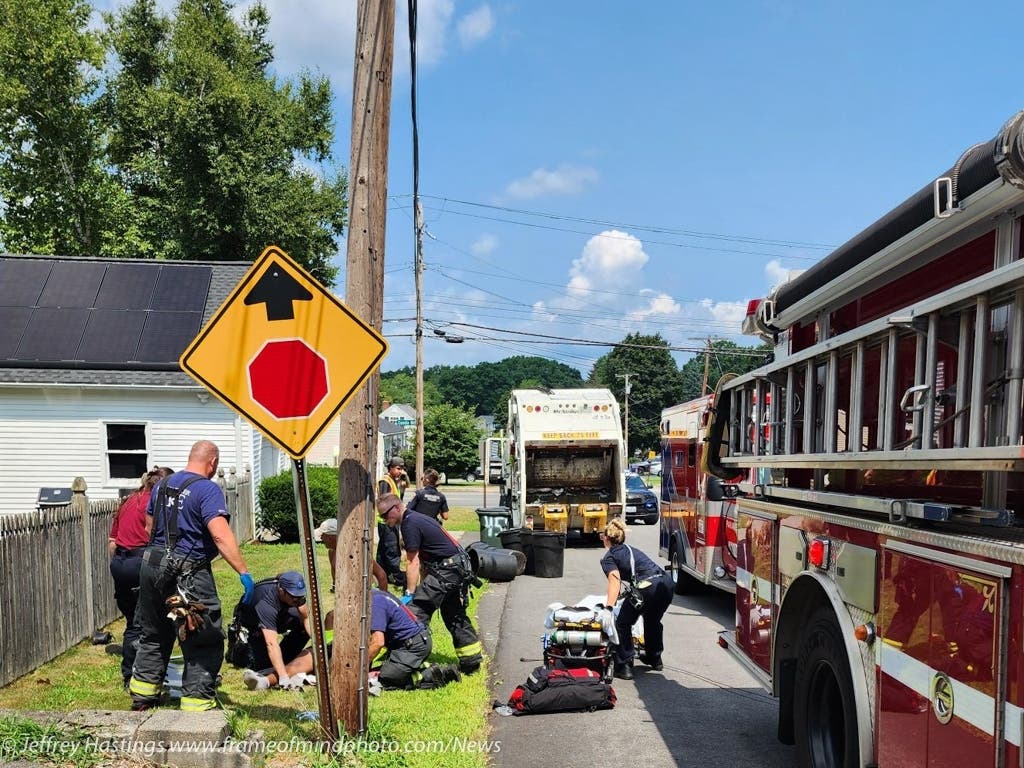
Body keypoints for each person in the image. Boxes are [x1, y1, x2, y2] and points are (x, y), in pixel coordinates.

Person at [129, 441, 254, 712]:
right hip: (187, 574)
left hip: (151, 566)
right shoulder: (207, 489)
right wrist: (243, 572)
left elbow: (149, 524)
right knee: (202, 636)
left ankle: (143, 695)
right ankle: (197, 703)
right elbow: (220, 534)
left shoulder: (162, 484)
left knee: (154, 632)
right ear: (213, 463)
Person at [376, 493, 483, 674]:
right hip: (456, 569)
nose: (385, 520)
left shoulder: (409, 523)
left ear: (396, 508)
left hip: (448, 570)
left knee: (416, 612)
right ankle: (471, 662)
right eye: (382, 517)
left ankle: (404, 659)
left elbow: (413, 562)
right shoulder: (416, 519)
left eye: (386, 515)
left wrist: (410, 593)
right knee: (454, 615)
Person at [270, 593, 461, 691]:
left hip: (414, 644)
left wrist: (357, 671)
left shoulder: (374, 603)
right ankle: (412, 667)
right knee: (369, 672)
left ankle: (435, 673)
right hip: (404, 644)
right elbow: (330, 623)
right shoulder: (365, 597)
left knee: (380, 679)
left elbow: (377, 642)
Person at [108, 467, 174, 687]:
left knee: (132, 620)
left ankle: (132, 673)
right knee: (146, 623)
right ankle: (135, 675)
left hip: (120, 563)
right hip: (140, 562)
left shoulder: (127, 501)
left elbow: (112, 542)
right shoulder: (154, 503)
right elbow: (154, 536)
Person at [599, 517, 673, 680]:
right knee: (652, 620)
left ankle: (624, 665)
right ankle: (655, 658)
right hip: (666, 584)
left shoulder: (609, 557)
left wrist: (609, 608)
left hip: (647, 587)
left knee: (623, 623)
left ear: (606, 538)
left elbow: (614, 582)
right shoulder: (631, 550)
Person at [237, 572, 311, 691]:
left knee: (302, 626)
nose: (298, 600)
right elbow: (271, 643)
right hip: (253, 628)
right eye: (294, 597)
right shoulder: (266, 603)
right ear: (281, 590)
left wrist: (317, 647)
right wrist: (283, 677)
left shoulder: (296, 597)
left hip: (278, 616)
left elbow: (307, 618)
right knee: (260, 665)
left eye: (300, 596)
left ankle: (286, 659)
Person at [313, 518, 387, 591]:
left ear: (329, 537)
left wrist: (383, 600)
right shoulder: (332, 552)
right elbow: (334, 572)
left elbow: (381, 575)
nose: (321, 539)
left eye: (322, 536)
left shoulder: (355, 552)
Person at [377, 457, 409, 588]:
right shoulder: (385, 481)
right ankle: (395, 575)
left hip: (391, 520)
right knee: (391, 548)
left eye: (402, 469)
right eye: (398, 468)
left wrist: (403, 478)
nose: (400, 471)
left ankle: (382, 573)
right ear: (390, 468)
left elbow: (403, 489)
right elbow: (385, 501)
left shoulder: (394, 481)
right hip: (387, 521)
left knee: (383, 550)